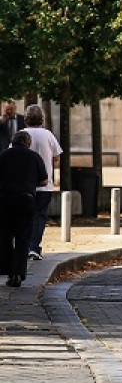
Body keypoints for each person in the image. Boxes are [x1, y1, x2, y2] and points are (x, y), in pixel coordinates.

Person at [0, 132, 47, 287]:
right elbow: (44, 180)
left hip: (5, 200)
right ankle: (18, 274)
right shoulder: (34, 157)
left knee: (5, 236)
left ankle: (7, 269)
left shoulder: (3, 155)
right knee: (23, 237)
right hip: (25, 200)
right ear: (28, 143)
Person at [22, 105, 61, 262]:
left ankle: (25, 247)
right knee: (40, 216)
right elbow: (57, 157)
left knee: (25, 216)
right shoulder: (48, 135)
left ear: (25, 120)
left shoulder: (22, 134)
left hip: (25, 184)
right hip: (45, 185)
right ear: (42, 120)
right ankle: (34, 247)